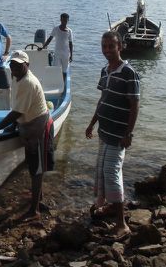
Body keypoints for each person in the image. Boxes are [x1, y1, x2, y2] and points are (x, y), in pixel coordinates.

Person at [0, 51, 50, 221]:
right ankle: (37, 196)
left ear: (27, 65)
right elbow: (17, 108)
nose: (14, 67)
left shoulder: (27, 82)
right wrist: (14, 125)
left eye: (19, 64)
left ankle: (34, 210)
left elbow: (17, 112)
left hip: (37, 126)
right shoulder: (16, 76)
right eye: (12, 64)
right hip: (27, 124)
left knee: (37, 168)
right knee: (32, 163)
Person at [85, 30, 140, 239]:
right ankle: (109, 206)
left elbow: (134, 106)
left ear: (120, 47)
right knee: (102, 170)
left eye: (111, 46)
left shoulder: (128, 73)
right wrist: (91, 124)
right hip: (104, 132)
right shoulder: (105, 71)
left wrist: (129, 134)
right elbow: (103, 100)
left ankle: (122, 224)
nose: (107, 50)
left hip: (118, 135)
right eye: (104, 46)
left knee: (111, 172)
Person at [40, 13, 73, 77]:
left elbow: (71, 44)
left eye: (66, 20)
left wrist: (71, 55)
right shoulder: (56, 29)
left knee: (64, 71)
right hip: (57, 53)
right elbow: (49, 39)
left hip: (66, 55)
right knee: (56, 70)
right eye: (63, 20)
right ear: (60, 20)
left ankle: (63, 85)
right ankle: (56, 83)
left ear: (68, 20)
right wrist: (43, 47)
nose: (64, 22)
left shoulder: (69, 31)